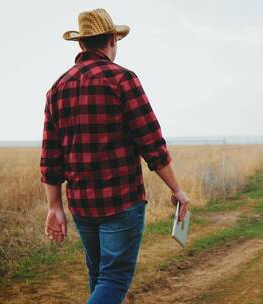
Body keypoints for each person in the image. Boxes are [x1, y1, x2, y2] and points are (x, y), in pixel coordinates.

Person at [39, 8, 190, 304]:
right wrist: (177, 189)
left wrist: (54, 206)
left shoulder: (57, 89)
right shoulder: (122, 79)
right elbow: (151, 141)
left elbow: (50, 156)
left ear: (81, 44)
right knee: (114, 279)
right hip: (122, 200)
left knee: (99, 278)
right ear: (111, 40)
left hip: (82, 205)